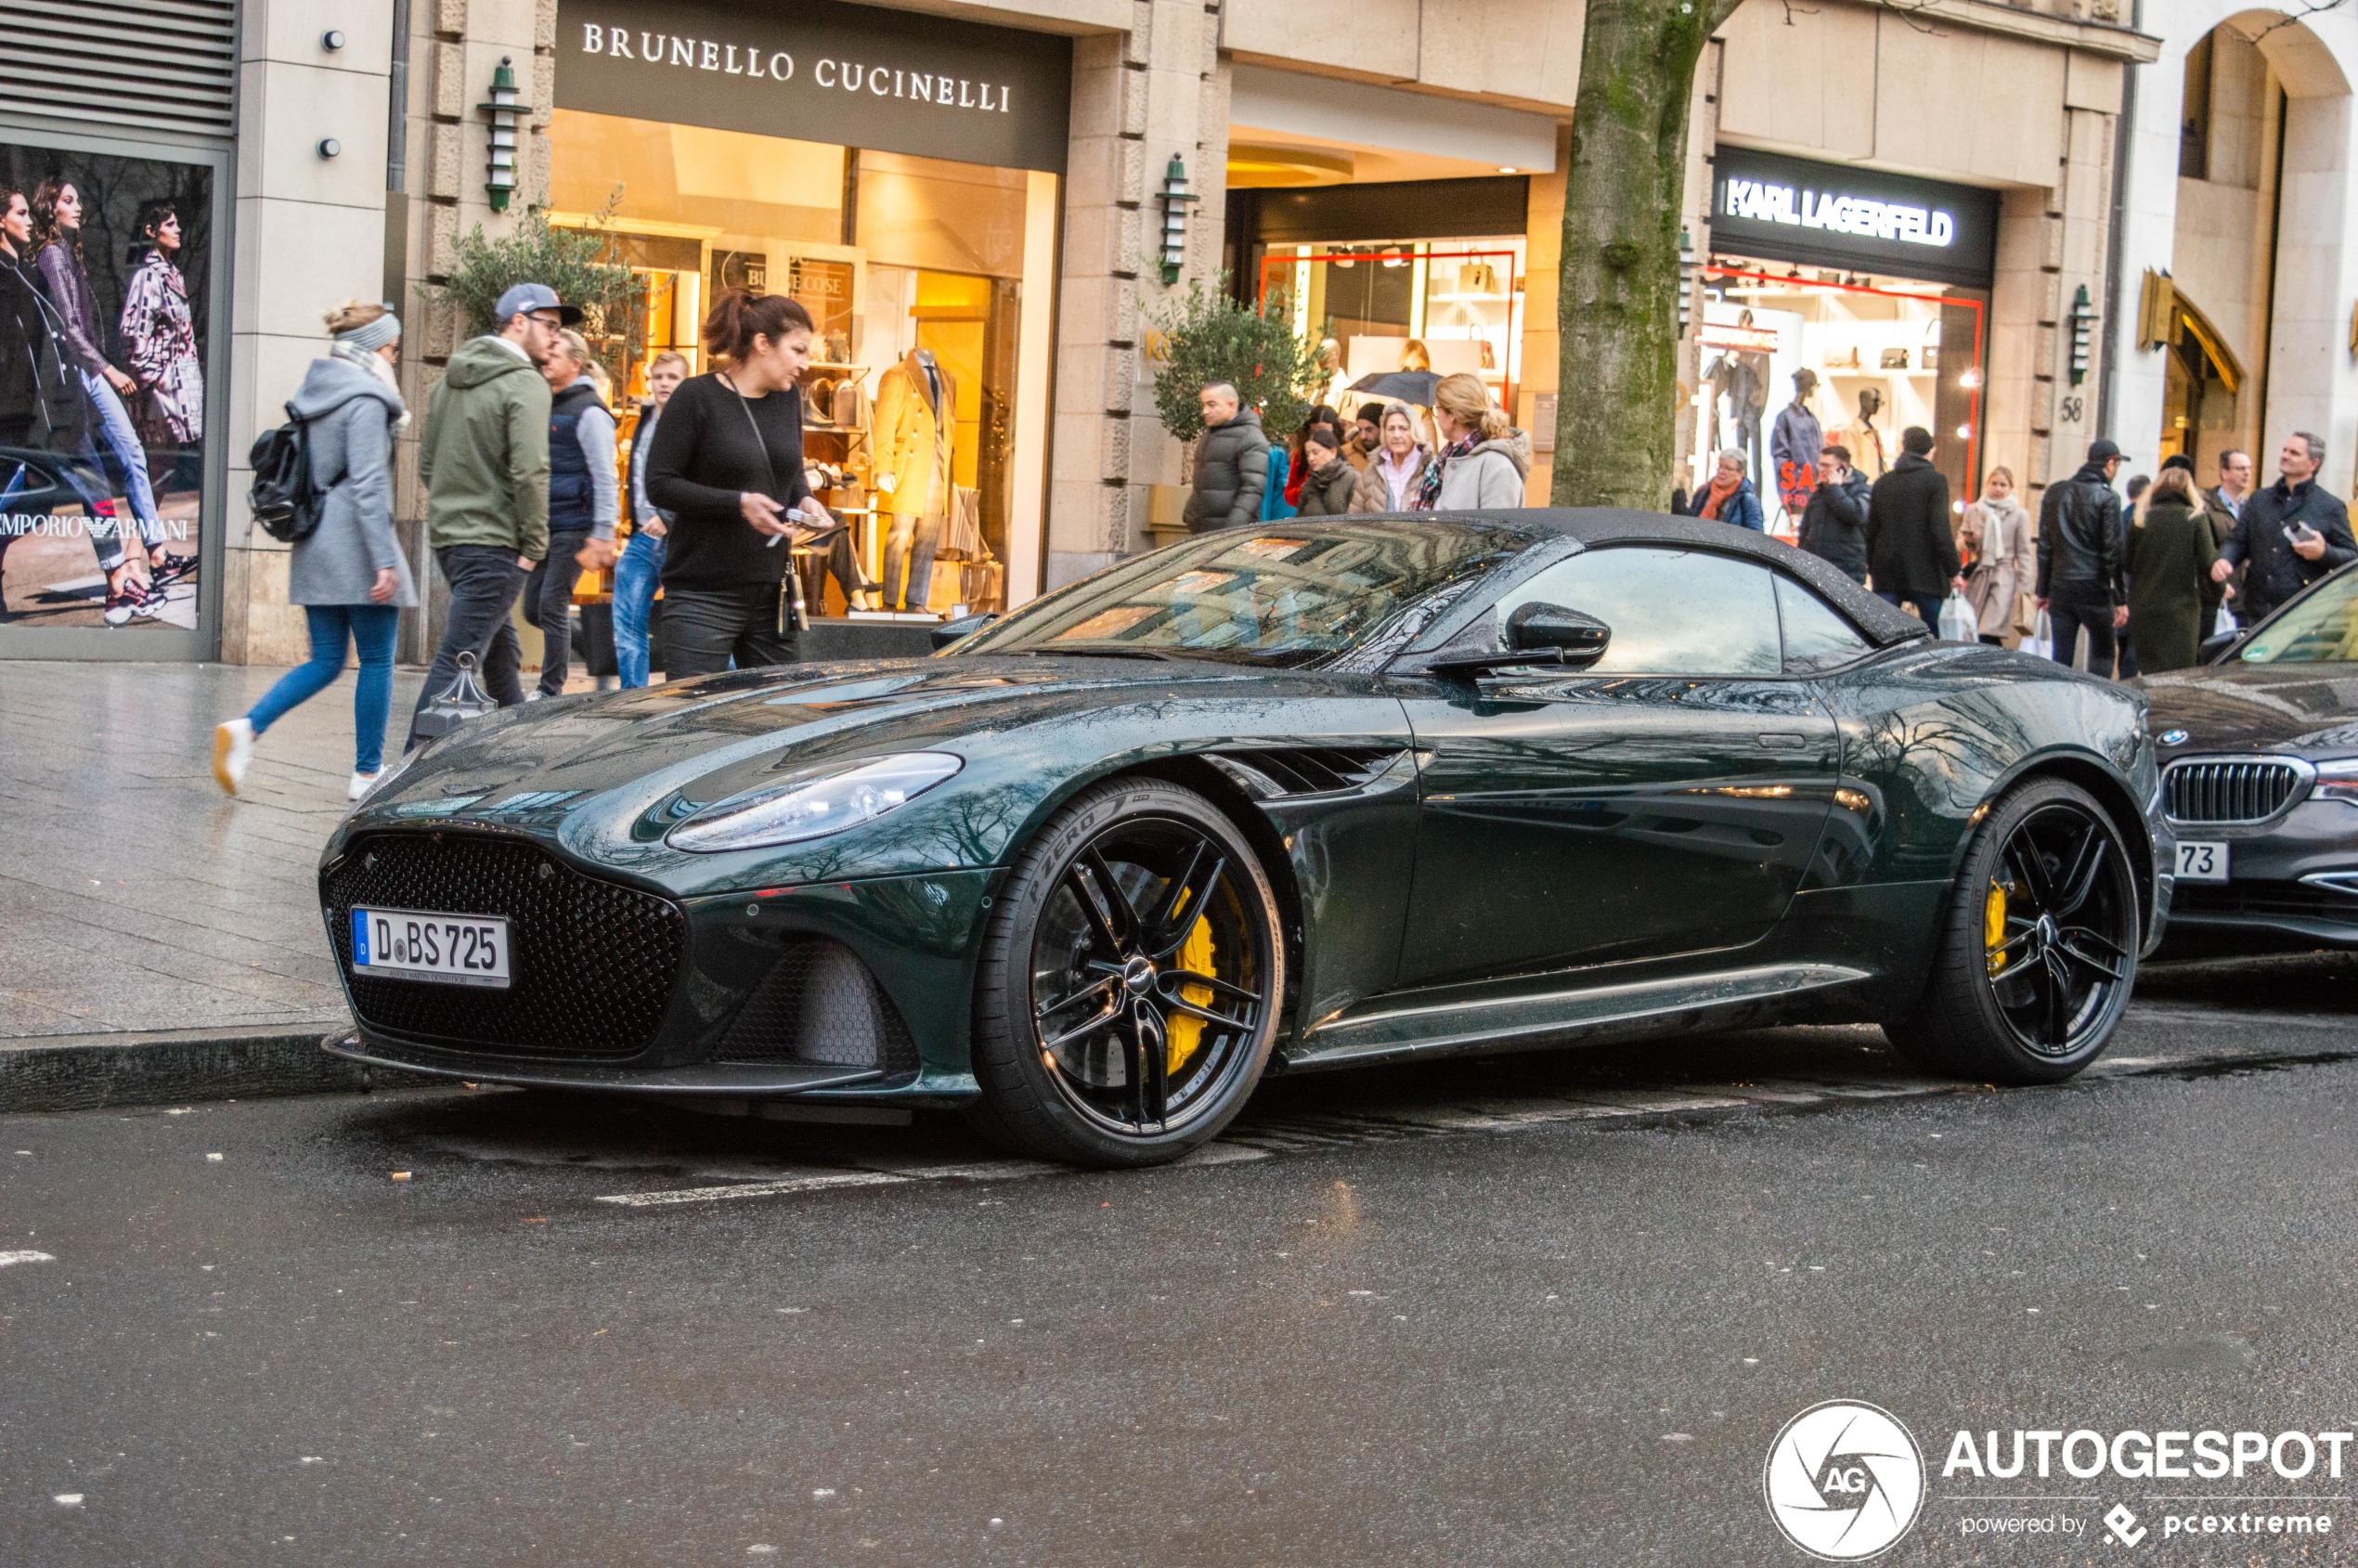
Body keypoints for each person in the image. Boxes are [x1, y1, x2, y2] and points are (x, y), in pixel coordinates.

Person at [213, 304, 416, 799]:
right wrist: (384, 559)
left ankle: (247, 728)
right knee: (376, 660)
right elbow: (368, 484)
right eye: (392, 348)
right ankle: (367, 773)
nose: (395, 356)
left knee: (325, 658)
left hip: (316, 538)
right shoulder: (367, 398)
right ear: (372, 348)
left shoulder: (317, 391)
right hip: (357, 544)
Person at [407, 281, 568, 748]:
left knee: (501, 655)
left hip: (452, 540)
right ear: (519, 322)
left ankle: (513, 757)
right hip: (496, 545)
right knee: (457, 660)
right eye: (550, 326)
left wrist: (452, 512)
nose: (556, 338)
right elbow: (531, 470)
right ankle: (404, 773)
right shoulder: (525, 383)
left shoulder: (450, 381)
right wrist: (535, 545)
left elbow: (427, 463)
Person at [643, 288, 834, 678]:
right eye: (798, 350)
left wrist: (807, 499)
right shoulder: (696, 397)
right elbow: (660, 484)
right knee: (692, 721)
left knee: (781, 717)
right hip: (702, 596)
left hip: (771, 593)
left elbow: (792, 470)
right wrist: (739, 502)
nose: (805, 363)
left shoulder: (787, 400)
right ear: (763, 344)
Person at [31, 177, 171, 622]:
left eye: (78, 200)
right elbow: (68, 327)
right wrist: (107, 369)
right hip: (81, 376)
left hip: (84, 375)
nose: (78, 207)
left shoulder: (68, 254)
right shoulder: (53, 254)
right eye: (68, 201)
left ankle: (148, 556)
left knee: (98, 470)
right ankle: (148, 557)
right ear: (49, 208)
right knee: (112, 463)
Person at [523, 328, 618, 698]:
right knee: (534, 608)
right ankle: (598, 648)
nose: (546, 360)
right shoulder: (551, 403)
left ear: (575, 363)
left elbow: (605, 477)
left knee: (551, 602)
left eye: (555, 355)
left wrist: (602, 531)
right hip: (548, 523)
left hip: (577, 524)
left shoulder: (590, 411)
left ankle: (550, 688)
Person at [2209, 431, 2357, 623]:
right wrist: (2224, 559)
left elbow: (2352, 557)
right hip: (2256, 613)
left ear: (2313, 463)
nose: (2285, 456)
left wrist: (2324, 553)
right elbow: (2237, 541)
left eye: (2294, 453)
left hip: (2302, 617)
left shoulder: (2330, 506)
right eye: (2285, 450)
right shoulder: (2259, 499)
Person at [116, 201, 203, 498]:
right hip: (159, 395)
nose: (178, 229)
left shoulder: (173, 275)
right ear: (152, 232)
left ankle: (143, 545)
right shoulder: (149, 276)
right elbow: (133, 335)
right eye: (169, 224)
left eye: (177, 223)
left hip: (176, 391)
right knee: (154, 470)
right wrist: (157, 380)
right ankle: (138, 545)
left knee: (164, 472)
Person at [613, 350, 686, 689]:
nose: (664, 384)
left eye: (673, 377)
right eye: (659, 377)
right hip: (642, 537)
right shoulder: (645, 417)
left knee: (690, 624)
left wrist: (667, 517)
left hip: (680, 539)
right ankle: (632, 698)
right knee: (627, 623)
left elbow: (697, 477)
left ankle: (727, 689)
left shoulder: (692, 420)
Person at [2036, 438, 2130, 674]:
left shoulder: (2055, 492)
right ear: (2110, 463)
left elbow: (2045, 547)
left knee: (2061, 656)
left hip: (2060, 586)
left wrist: (2043, 590)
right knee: (2103, 651)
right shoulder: (2107, 497)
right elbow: (2113, 552)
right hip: (2093, 588)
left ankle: (2058, 704)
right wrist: (2120, 599)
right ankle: (2098, 705)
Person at [2128, 460, 2219, 674]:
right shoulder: (2194, 517)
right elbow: (2209, 563)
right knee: (2178, 674)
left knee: (2149, 673)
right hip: (2181, 612)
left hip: (2143, 607)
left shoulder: (2141, 517)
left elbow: (2126, 562)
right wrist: (2219, 591)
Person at [1865, 426, 1962, 625]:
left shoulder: (1883, 482)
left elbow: (1871, 530)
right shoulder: (1935, 482)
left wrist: (1871, 565)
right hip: (1925, 574)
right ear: (1929, 450)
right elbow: (1940, 530)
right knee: (1936, 636)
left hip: (1887, 572)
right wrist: (1953, 570)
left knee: (1884, 633)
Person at [1424, 372, 1527, 509]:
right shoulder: (1445, 459)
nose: (1436, 415)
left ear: (1452, 415)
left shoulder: (1497, 466)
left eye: (1437, 409)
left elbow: (1496, 528)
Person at [1958, 466, 2034, 646]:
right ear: (1987, 484)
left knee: (1989, 630)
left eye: (2003, 484)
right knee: (1972, 630)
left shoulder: (2019, 515)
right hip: (1979, 575)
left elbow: (2024, 553)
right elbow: (1960, 543)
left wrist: (2025, 588)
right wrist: (1967, 541)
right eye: (1994, 484)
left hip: (2003, 578)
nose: (1998, 489)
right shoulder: (1974, 510)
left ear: (2010, 488)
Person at [1181, 381, 1268, 532]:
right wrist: (1190, 513)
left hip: (1227, 535)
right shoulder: (1211, 434)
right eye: (1204, 405)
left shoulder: (1251, 438)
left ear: (1231, 405)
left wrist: (1231, 529)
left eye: (1211, 405)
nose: (1205, 411)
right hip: (1204, 530)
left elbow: (1252, 489)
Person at [1797, 444, 1871, 581]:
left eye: (1826, 465)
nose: (1820, 469)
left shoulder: (1861, 489)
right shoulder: (1819, 492)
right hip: (1816, 568)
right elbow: (1805, 529)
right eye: (1819, 465)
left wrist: (1835, 488)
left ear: (1843, 466)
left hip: (1847, 571)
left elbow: (1856, 515)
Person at [2199, 447, 2252, 628]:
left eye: (2249, 468)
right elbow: (2204, 553)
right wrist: (2218, 587)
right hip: (2213, 599)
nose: (2247, 473)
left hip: (2244, 601)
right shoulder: (2206, 507)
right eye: (2240, 468)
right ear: (2224, 472)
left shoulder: (2251, 508)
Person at [1349, 404, 1431, 512]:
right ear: (1384, 433)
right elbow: (1354, 516)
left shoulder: (1430, 468)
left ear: (1414, 431)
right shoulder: (1373, 470)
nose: (1396, 435)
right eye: (1391, 429)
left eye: (1403, 428)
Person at [1769, 368, 1822, 522]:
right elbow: (1780, 455)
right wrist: (1789, 488)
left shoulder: (1810, 417)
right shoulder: (1785, 417)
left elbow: (1819, 450)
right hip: (1796, 489)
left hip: (1812, 485)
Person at [1684, 447, 1765, 532]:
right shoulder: (1703, 491)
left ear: (1741, 473)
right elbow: (1691, 521)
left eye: (1728, 468)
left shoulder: (1748, 499)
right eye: (1720, 466)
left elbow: (1756, 535)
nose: (1721, 471)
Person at [1293, 423, 1356, 516]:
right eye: (1307, 454)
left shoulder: (1351, 478)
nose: (1310, 458)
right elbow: (1299, 519)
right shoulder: (1309, 483)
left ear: (1333, 452)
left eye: (1316, 452)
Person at [1348, 403, 1386, 472]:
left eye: (1369, 430)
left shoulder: (1398, 456)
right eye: (1360, 429)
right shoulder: (1346, 454)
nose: (1363, 436)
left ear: (1383, 429)